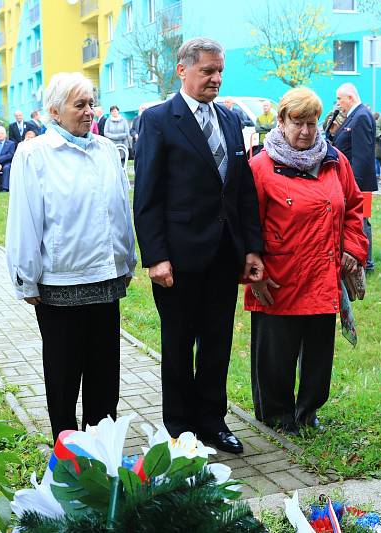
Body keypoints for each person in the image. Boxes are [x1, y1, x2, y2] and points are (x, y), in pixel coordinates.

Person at [133, 37, 264, 454]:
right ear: (183, 70)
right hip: (178, 256)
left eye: (219, 71)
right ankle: (179, 428)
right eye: (207, 71)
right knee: (177, 343)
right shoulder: (158, 120)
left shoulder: (229, 119)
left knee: (217, 342)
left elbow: (241, 191)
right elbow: (148, 194)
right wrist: (155, 257)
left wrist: (251, 249)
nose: (216, 78)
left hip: (224, 255)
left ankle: (213, 421)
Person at [5, 71, 137, 442]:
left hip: (106, 282)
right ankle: (66, 457)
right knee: (63, 379)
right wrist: (25, 277)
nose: (89, 111)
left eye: (91, 103)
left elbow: (120, 209)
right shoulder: (34, 154)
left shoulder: (107, 150)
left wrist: (126, 260)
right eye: (79, 105)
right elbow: (24, 219)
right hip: (60, 285)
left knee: (104, 376)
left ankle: (100, 451)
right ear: (54, 111)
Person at [245, 87, 367, 435]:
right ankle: (277, 414)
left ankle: (308, 410)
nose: (305, 131)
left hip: (323, 273)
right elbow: (245, 224)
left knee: (318, 352)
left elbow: (354, 207)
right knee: (276, 353)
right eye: (297, 122)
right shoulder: (261, 167)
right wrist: (252, 269)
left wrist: (354, 248)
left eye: (312, 123)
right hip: (279, 276)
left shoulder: (334, 161)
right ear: (280, 121)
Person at [332, 82, 377, 272]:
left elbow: (362, 155)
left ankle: (367, 261)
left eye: (339, 99)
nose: (338, 103)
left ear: (350, 98)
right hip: (351, 180)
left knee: (362, 219)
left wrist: (355, 187)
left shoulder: (361, 117)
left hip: (358, 182)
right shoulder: (354, 116)